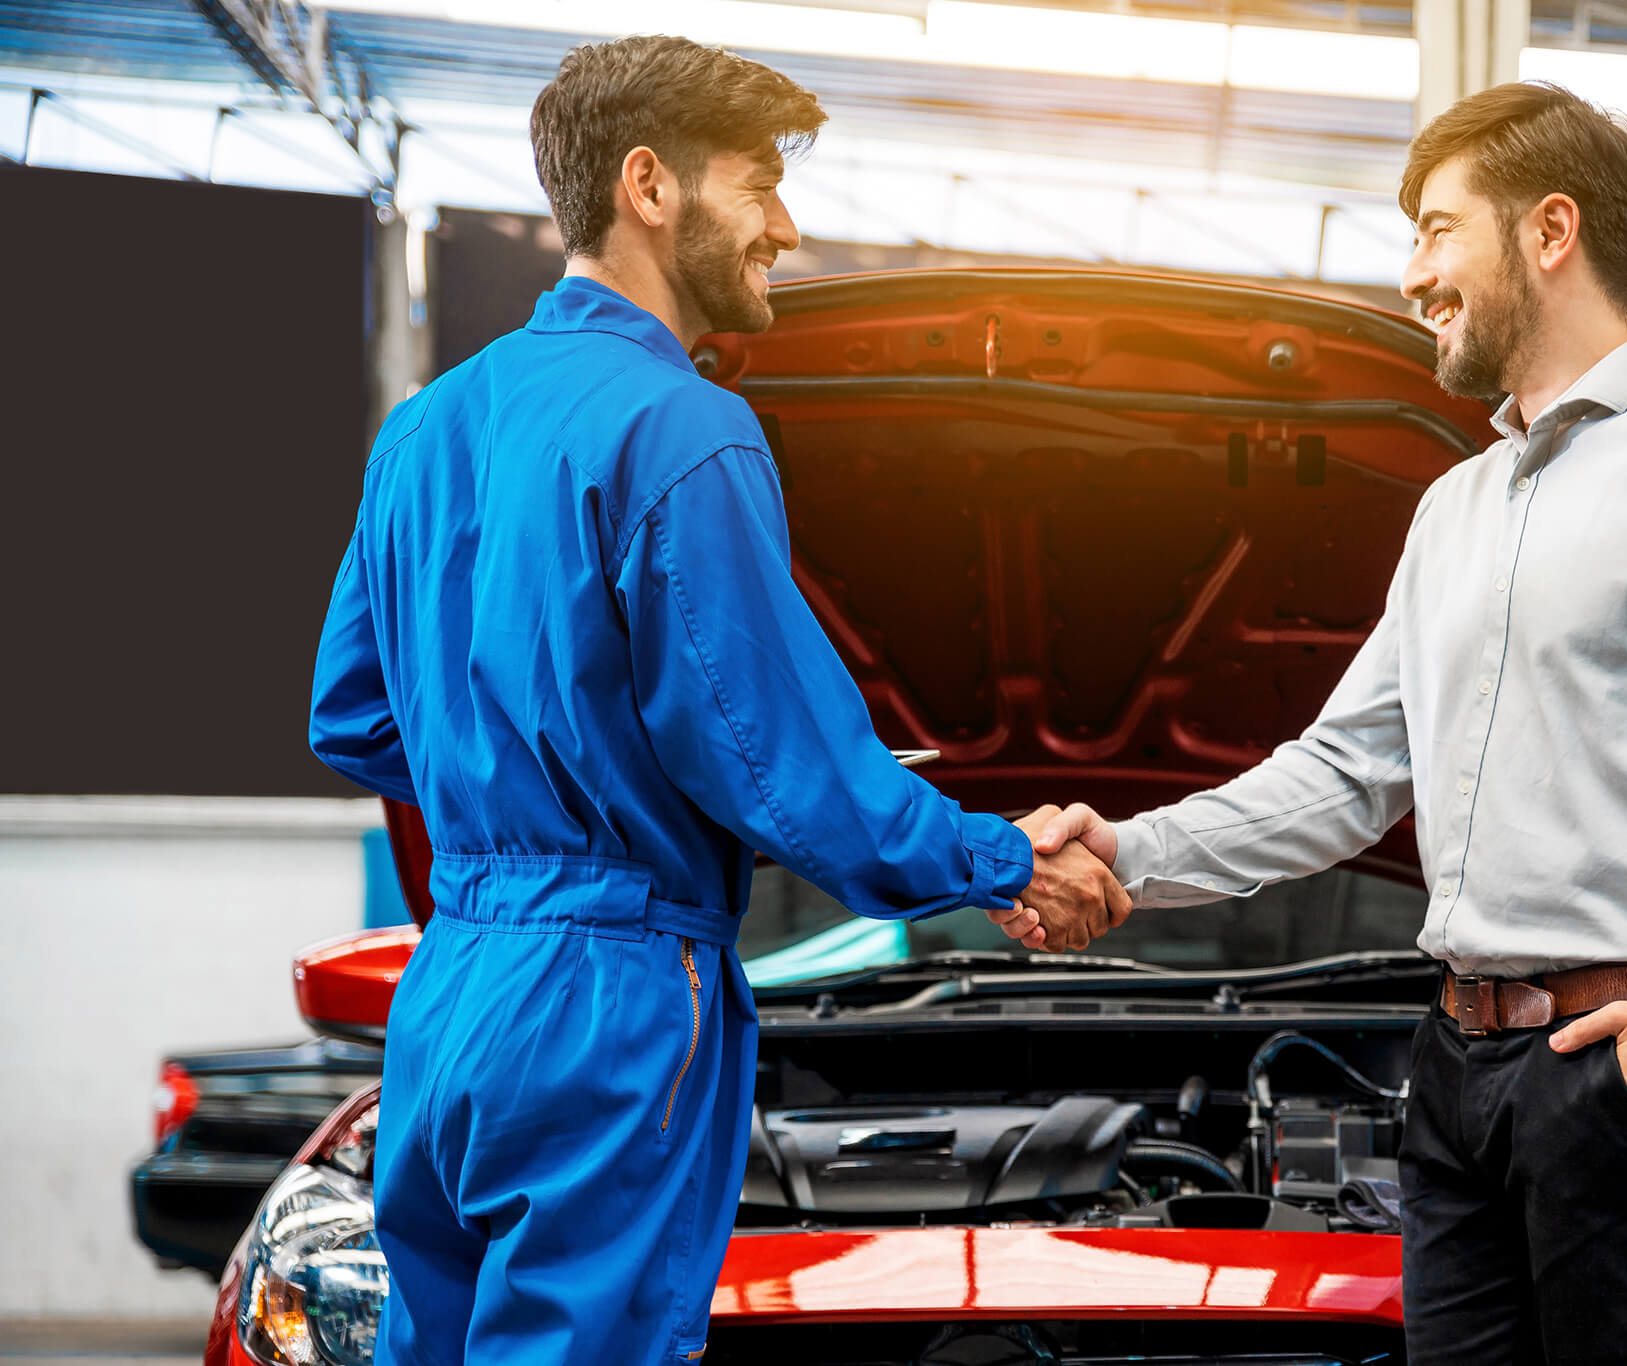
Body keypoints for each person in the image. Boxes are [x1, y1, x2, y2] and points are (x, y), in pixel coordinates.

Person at [1013, 81, 1627, 1365]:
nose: (1412, 276)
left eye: (1436, 230)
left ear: (1548, 231)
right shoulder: (1453, 507)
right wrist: (1124, 855)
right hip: (1451, 1072)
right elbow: (1343, 774)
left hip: (1619, 1063)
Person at [309, 36, 1124, 1366]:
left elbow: (351, 717)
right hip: (609, 996)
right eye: (759, 185)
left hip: (452, 992)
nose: (787, 227)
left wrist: (516, 775)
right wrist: (996, 854)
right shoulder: (680, 425)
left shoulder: (425, 428)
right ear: (652, 185)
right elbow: (777, 761)